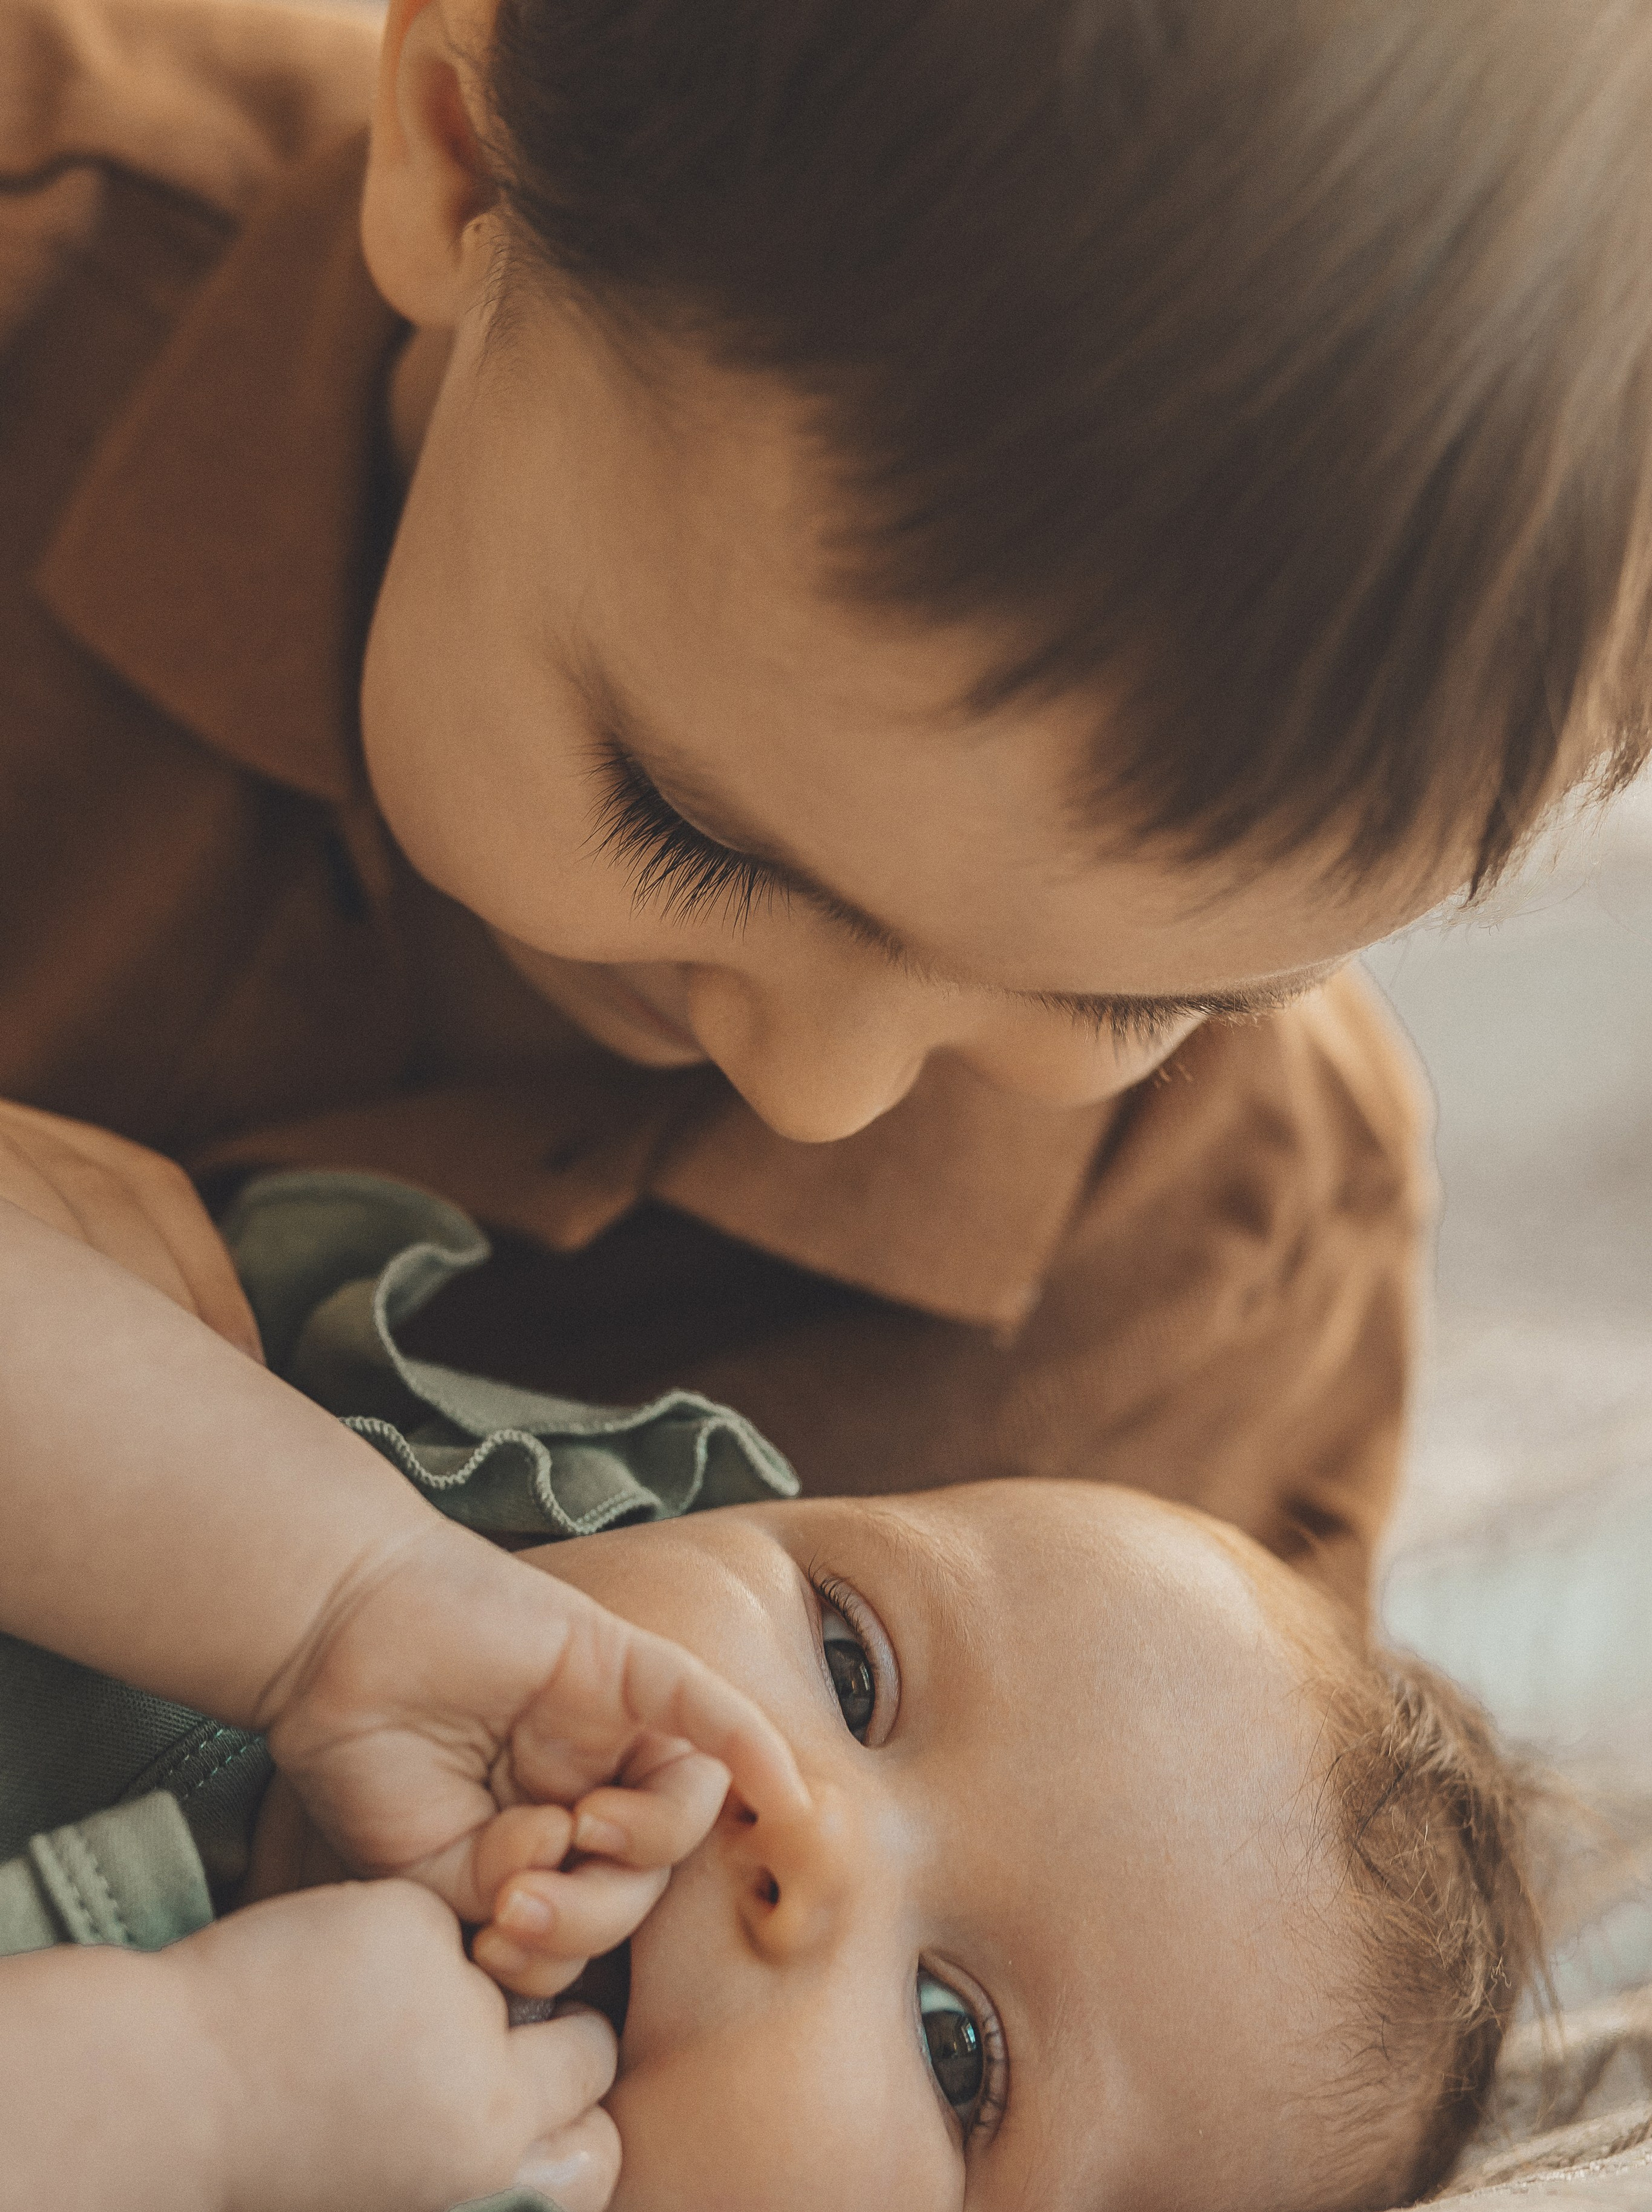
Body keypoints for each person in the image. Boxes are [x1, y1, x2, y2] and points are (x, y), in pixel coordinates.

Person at [7, 0, 1651, 1629]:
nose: (816, 1094)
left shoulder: (1203, 1303)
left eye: (1128, 1001)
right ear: (459, 160)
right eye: (689, 829)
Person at [0, 1175, 1536, 2212]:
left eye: (954, 2046)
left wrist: (201, 2103)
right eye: (849, 1665)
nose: (797, 1826)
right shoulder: (346, 1486)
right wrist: (338, 1595)